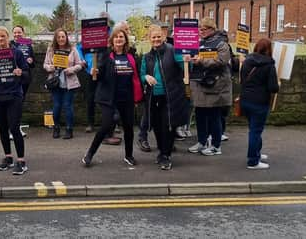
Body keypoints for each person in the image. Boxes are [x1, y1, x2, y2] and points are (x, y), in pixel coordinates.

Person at [81, 27, 143, 167]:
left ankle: (128, 155)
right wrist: (94, 71)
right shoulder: (106, 55)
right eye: (116, 37)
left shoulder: (131, 56)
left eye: (121, 37)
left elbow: (137, 75)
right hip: (109, 97)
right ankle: (89, 154)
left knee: (128, 127)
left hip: (127, 97)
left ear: (125, 40)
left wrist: (137, 96)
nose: (119, 39)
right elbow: (100, 74)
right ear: (112, 40)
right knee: (106, 124)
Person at [140, 25, 189, 170]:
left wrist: (186, 61)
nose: (156, 39)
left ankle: (165, 155)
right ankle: (162, 152)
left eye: (158, 36)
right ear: (149, 39)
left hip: (171, 96)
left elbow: (184, 67)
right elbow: (142, 74)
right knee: (156, 126)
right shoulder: (146, 57)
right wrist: (146, 77)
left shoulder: (172, 50)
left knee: (168, 126)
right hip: (153, 97)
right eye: (153, 37)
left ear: (163, 36)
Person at [185, 17, 232, 156]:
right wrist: (188, 59)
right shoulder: (198, 43)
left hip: (214, 86)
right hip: (199, 84)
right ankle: (202, 142)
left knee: (214, 116)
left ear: (212, 29)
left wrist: (202, 60)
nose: (201, 31)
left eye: (204, 29)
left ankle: (216, 146)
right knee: (200, 115)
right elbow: (192, 58)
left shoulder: (222, 44)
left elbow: (222, 61)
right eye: (200, 29)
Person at [0, 26, 30, 175]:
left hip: (14, 94)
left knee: (14, 127)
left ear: (8, 37)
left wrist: (20, 72)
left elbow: (26, 73)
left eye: (3, 36)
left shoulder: (17, 53)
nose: (0, 39)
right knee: (2, 129)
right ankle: (8, 157)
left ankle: (21, 161)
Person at [240, 38, 279, 169]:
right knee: (255, 131)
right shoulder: (269, 65)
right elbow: (273, 88)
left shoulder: (246, 61)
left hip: (245, 100)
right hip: (260, 102)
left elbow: (242, 80)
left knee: (254, 129)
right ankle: (253, 161)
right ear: (269, 49)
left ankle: (256, 153)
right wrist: (277, 84)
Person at [43, 28, 82, 139]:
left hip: (69, 82)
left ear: (66, 37)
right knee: (56, 106)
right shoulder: (51, 49)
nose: (61, 39)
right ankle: (56, 128)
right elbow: (45, 64)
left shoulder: (72, 49)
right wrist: (49, 67)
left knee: (68, 106)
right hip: (55, 82)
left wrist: (72, 69)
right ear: (56, 38)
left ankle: (69, 129)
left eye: (63, 37)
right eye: (58, 37)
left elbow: (79, 64)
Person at [76, 12, 110, 133]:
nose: (103, 22)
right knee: (90, 98)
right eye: (101, 20)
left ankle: (112, 123)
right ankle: (90, 123)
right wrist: (81, 59)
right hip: (90, 70)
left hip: (105, 70)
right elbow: (78, 47)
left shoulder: (111, 34)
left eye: (105, 20)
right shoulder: (90, 33)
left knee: (108, 97)